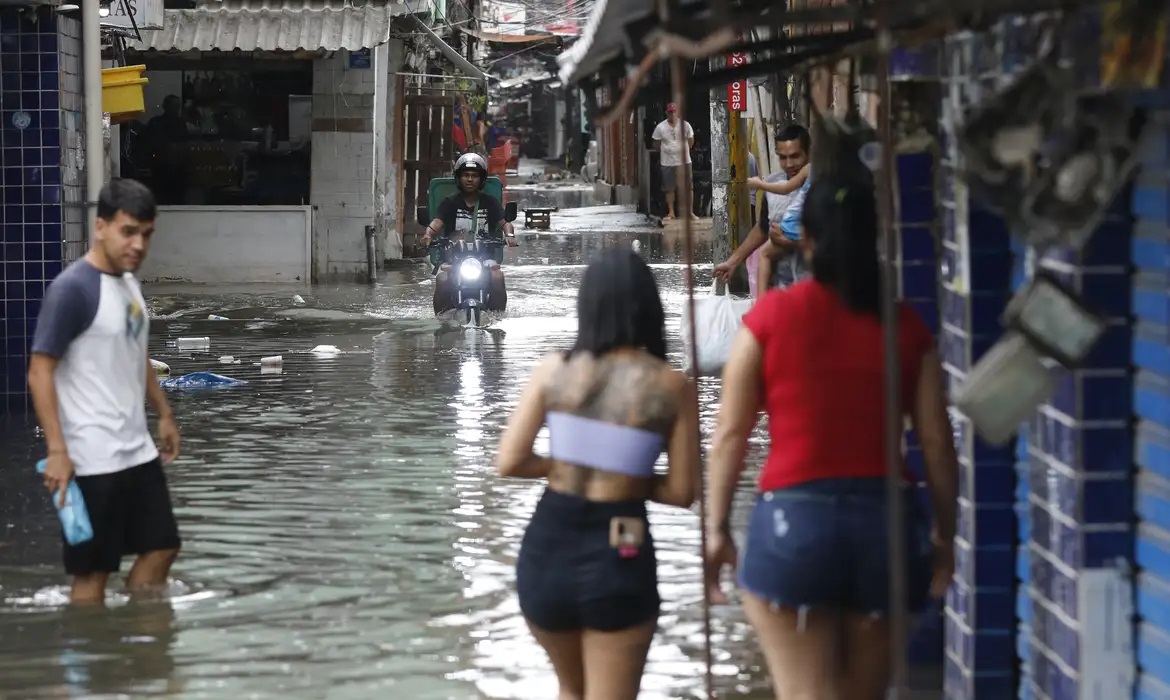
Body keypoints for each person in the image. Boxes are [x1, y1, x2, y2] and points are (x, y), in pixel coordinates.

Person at [703, 177, 958, 700]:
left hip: (793, 530)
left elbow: (730, 434)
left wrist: (717, 528)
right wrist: (943, 537)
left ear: (806, 239)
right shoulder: (906, 326)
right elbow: (935, 441)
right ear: (875, 236)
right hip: (887, 531)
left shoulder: (769, 319)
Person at [496, 248, 700, 700]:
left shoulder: (556, 370)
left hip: (547, 548)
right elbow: (683, 490)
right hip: (619, 547)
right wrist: (622, 469)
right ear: (649, 306)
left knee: (570, 691)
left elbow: (509, 461)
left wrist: (572, 462)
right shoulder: (671, 384)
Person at [27, 179, 182, 606]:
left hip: (136, 450)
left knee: (163, 547)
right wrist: (57, 450)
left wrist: (163, 413)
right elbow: (40, 372)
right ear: (100, 227)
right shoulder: (72, 290)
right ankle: (94, 661)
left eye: (146, 234)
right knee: (93, 575)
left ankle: (137, 644)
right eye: (128, 231)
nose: (138, 244)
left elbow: (136, 351)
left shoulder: (129, 283)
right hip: (91, 458)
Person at [714, 124, 812, 289]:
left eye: (795, 156)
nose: (789, 164)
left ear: (809, 154)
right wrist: (732, 262)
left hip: (814, 289)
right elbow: (762, 229)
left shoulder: (822, 186)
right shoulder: (772, 185)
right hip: (780, 289)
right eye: (783, 157)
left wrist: (793, 242)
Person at [421, 152, 518, 315]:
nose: (470, 179)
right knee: (442, 280)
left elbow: (505, 223)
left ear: (481, 179)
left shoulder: (490, 202)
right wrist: (428, 236)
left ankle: (498, 317)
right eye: (466, 175)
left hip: (484, 257)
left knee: (498, 278)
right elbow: (436, 223)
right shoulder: (450, 202)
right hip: (455, 258)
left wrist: (509, 236)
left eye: (474, 175)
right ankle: (441, 320)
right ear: (459, 178)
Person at [651, 103, 697, 221]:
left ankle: (689, 212)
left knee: (688, 187)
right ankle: (671, 213)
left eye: (674, 112)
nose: (672, 114)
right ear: (667, 113)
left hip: (685, 161)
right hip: (668, 162)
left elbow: (691, 141)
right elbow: (656, 144)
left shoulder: (685, 125)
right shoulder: (661, 127)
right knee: (669, 188)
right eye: (670, 112)